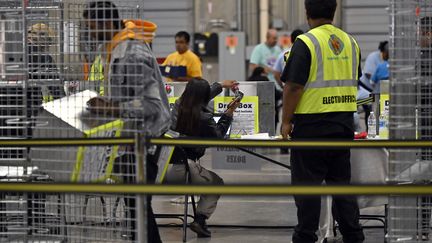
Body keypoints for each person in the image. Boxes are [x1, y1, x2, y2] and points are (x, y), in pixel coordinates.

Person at [83, 1, 171, 242]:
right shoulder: (115, 48)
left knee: (139, 211)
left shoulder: (131, 52)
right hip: (132, 141)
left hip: (146, 142)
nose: (90, 33)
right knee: (135, 213)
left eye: (91, 27)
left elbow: (151, 107)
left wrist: (112, 107)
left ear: (105, 23)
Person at [280, 0, 365, 242]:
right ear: (333, 11)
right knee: (341, 187)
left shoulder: (306, 42)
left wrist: (286, 121)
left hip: (311, 128)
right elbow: (353, 78)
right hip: (343, 125)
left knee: (307, 190)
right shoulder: (351, 42)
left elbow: (293, 86)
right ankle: (354, 235)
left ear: (307, 13)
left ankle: (306, 237)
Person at [168, 78, 239, 238]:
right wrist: (228, 114)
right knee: (217, 183)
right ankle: (199, 220)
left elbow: (200, 95)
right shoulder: (204, 118)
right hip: (185, 169)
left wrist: (220, 85)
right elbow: (218, 138)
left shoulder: (179, 104)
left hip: (164, 169)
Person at [250, 29, 282, 130]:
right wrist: (264, 69)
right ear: (267, 38)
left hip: (276, 86)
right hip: (264, 86)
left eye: (277, 39)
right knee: (263, 112)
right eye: (273, 39)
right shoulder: (259, 49)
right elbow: (253, 66)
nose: (275, 41)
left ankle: (273, 130)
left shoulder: (278, 50)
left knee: (274, 112)